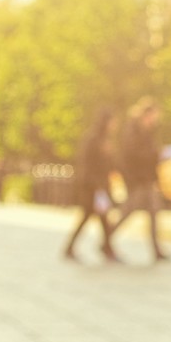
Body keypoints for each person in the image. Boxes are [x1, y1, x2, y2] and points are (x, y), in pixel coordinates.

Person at [113, 98, 170, 262]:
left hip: (147, 180)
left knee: (153, 212)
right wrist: (156, 154)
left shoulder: (148, 132)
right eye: (154, 116)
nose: (155, 120)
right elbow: (131, 157)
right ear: (146, 115)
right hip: (137, 180)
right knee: (127, 212)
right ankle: (107, 239)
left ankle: (156, 249)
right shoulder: (133, 132)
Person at [63, 108, 121, 263]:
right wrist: (97, 186)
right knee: (94, 217)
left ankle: (105, 248)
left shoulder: (105, 140)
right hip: (93, 187)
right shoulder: (94, 140)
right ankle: (106, 249)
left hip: (99, 186)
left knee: (98, 218)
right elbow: (89, 165)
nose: (115, 125)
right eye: (113, 121)